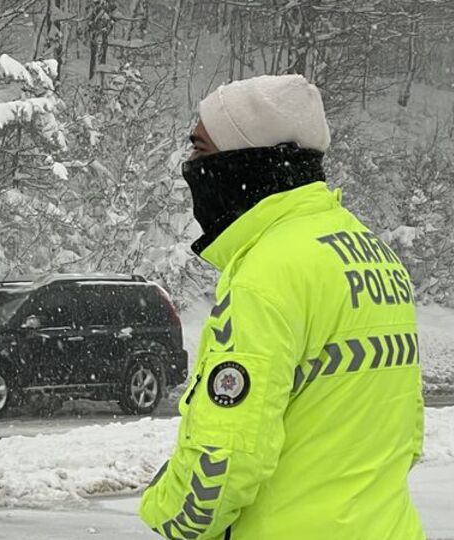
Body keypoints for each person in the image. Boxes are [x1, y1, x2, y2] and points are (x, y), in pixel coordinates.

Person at [139, 74, 425, 539]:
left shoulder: (267, 274)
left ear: (245, 162)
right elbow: (407, 434)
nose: (189, 166)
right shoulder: (373, 254)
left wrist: (166, 513)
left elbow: (227, 457)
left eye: (201, 151)